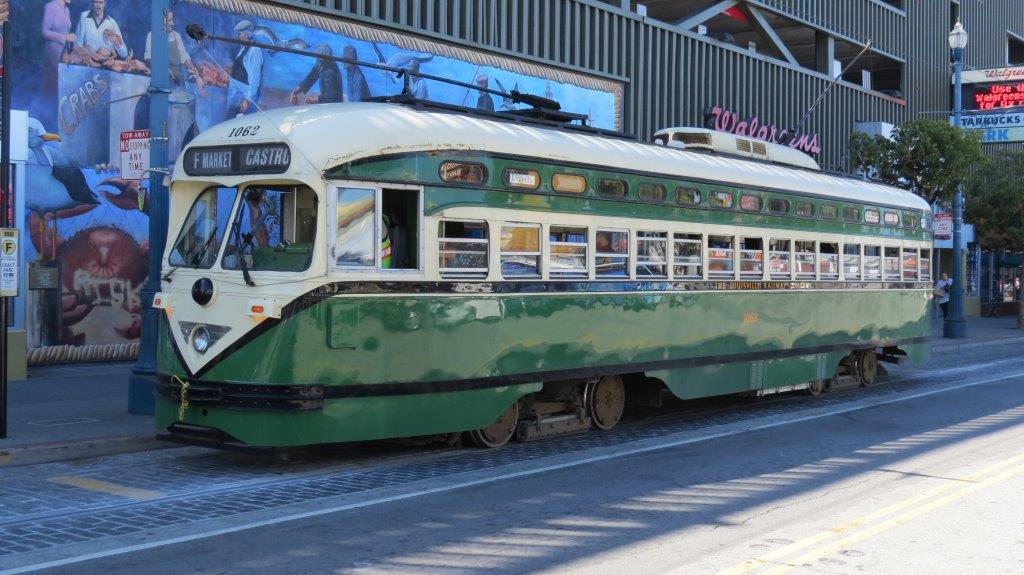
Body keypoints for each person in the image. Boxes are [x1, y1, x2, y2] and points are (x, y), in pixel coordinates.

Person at [144, 10, 206, 95]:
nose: (172, 23)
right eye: (169, 20)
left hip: (178, 82)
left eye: (172, 20)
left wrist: (192, 67)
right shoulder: (151, 36)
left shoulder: (176, 36)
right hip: (160, 84)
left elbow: (183, 56)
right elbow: (148, 58)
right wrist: (162, 69)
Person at [227, 20, 265, 115]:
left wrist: (247, 99)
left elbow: (255, 77)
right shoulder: (243, 49)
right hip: (235, 93)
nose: (237, 37)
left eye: (239, 34)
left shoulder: (255, 51)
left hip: (243, 95)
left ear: (246, 34)